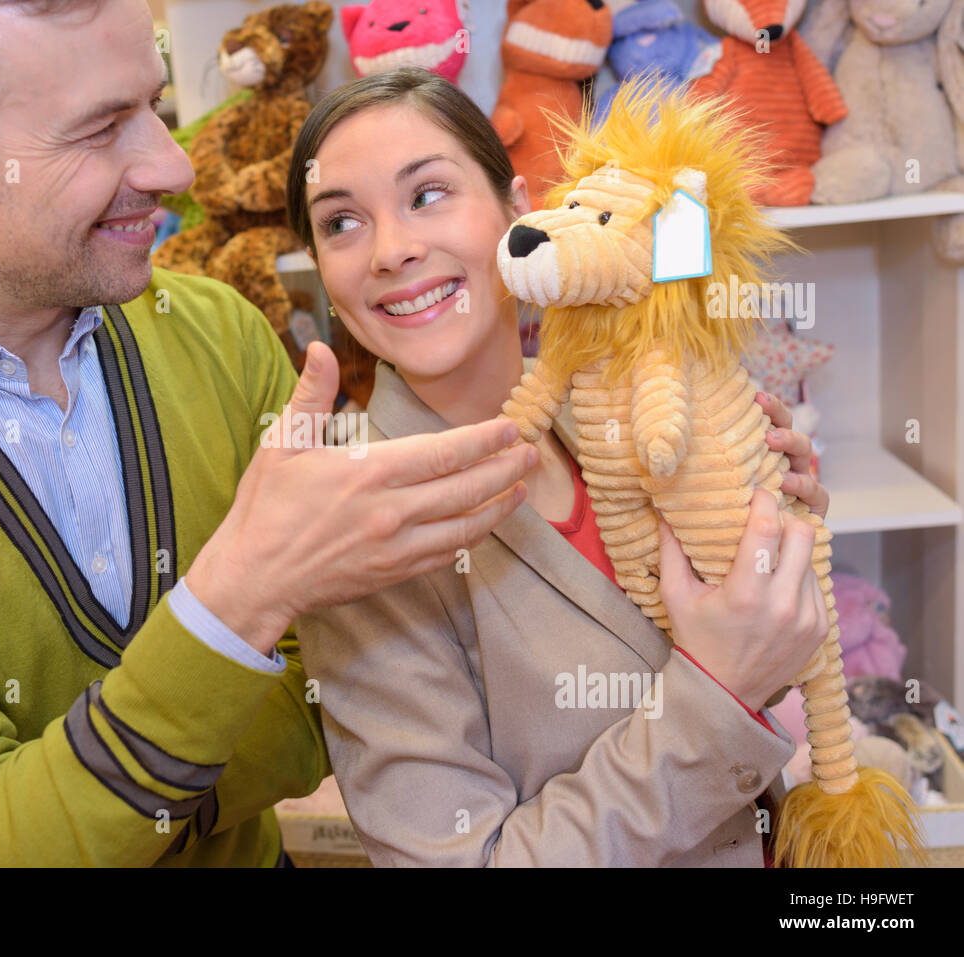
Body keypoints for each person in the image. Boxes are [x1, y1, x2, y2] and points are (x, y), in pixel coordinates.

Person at [0, 3, 533, 867]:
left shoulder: (217, 333)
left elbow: (347, 699)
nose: (173, 163)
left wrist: (44, 795)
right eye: (99, 130)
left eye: (150, 106)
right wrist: (237, 604)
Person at [288, 69, 833, 866]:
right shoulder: (361, 536)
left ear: (518, 209)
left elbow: (761, 674)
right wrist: (713, 697)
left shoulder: (617, 416)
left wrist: (774, 553)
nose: (392, 248)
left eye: (428, 194)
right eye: (341, 222)